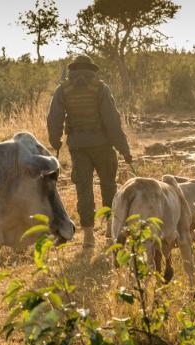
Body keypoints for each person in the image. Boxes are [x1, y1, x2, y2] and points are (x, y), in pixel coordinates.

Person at [47, 54, 132, 250]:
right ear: (92, 69)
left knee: (83, 190)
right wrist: (124, 149)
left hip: (78, 147)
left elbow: (54, 118)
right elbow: (112, 121)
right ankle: (110, 234)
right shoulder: (100, 88)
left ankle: (88, 237)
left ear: (73, 69)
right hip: (103, 145)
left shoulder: (63, 90)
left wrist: (56, 141)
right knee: (109, 187)